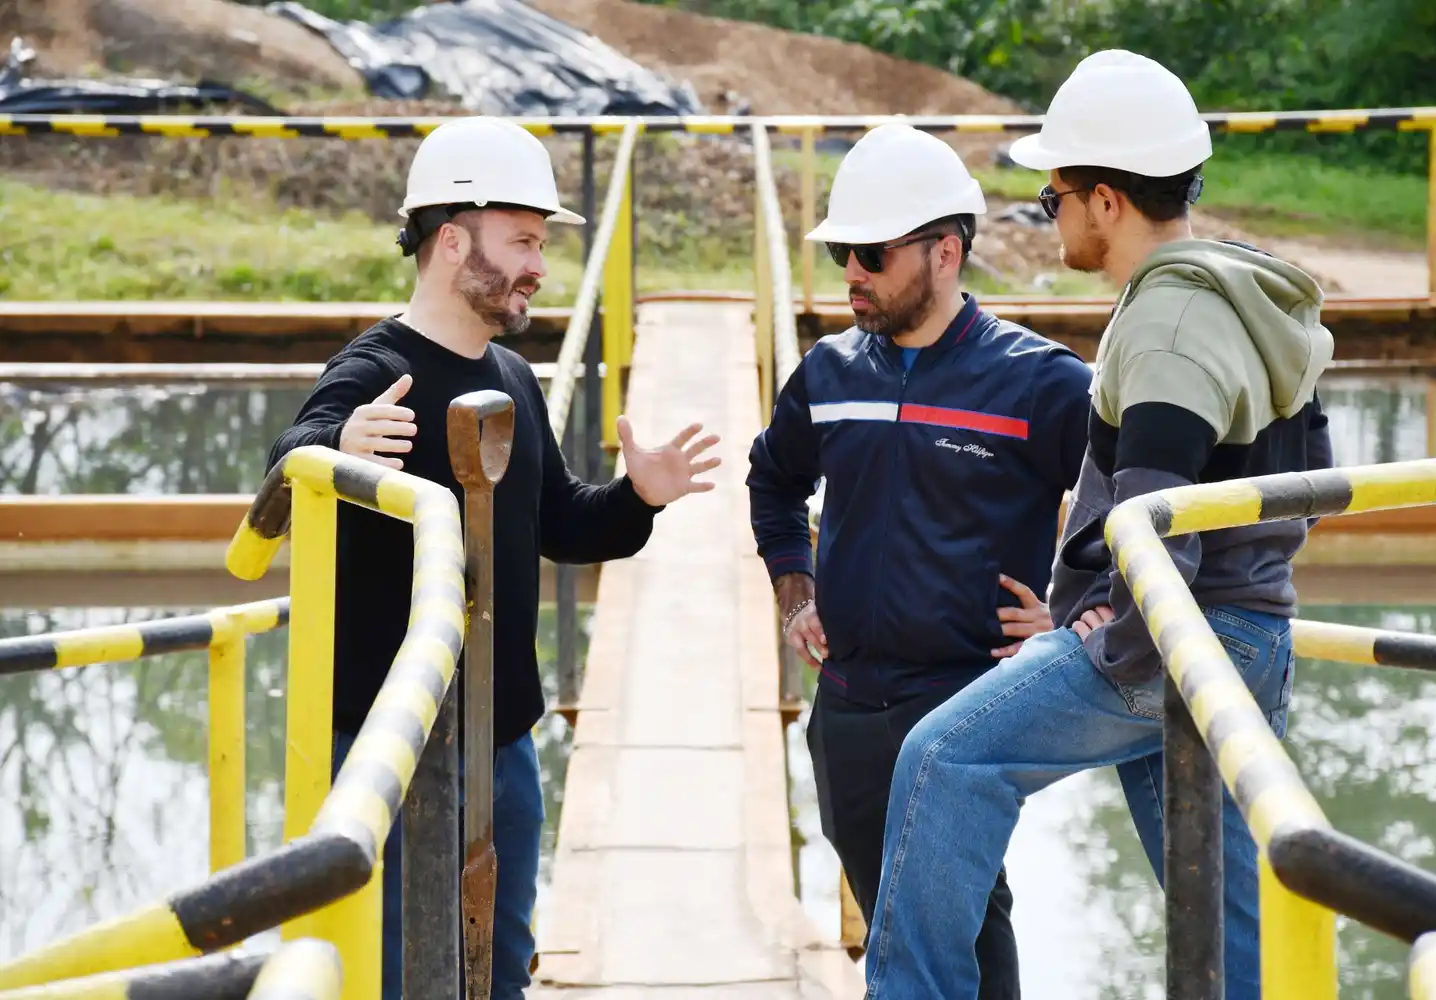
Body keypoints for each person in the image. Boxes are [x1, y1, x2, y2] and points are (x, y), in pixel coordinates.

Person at [859, 50, 1336, 999]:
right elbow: (1300, 483)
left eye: (1054, 197)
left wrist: (1116, 633)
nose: (1051, 215)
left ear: (1106, 203)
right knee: (1227, 902)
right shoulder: (1242, 298)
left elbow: (1158, 527)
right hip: (1245, 631)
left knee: (945, 761)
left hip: (1178, 638)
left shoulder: (1166, 325)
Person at [266, 116, 721, 1000]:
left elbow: (561, 524)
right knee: (404, 971)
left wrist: (639, 496)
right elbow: (286, 470)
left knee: (501, 966)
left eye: (541, 244)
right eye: (521, 240)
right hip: (390, 746)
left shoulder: (511, 377)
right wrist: (335, 441)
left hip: (503, 741)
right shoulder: (376, 366)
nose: (538, 266)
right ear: (449, 241)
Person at [745, 123, 1095, 1000]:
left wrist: (1076, 615)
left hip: (968, 706)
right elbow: (772, 481)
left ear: (946, 251)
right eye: (841, 256)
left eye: (868, 253)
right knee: (900, 918)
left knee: (965, 916)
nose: (851, 274)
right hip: (851, 709)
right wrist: (797, 594)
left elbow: (1132, 510)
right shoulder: (827, 375)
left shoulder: (1039, 383)